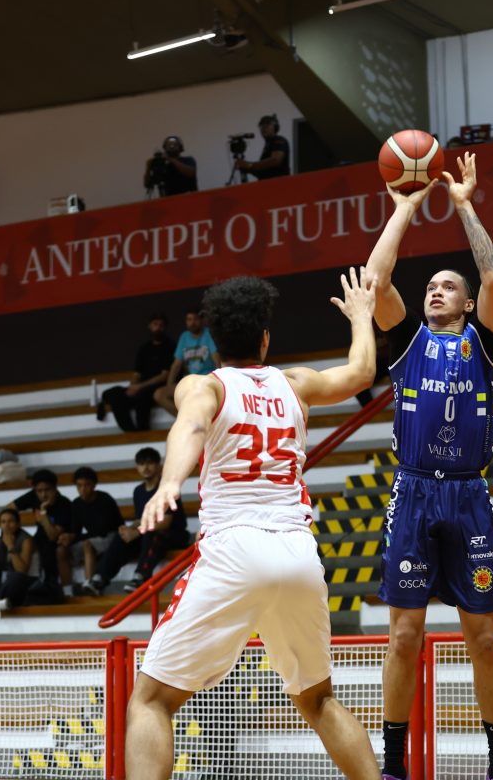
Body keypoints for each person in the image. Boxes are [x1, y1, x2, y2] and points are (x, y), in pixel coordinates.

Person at [126, 270, 381, 780]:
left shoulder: (204, 384)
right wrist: (360, 316)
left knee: (151, 701)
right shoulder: (296, 384)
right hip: (298, 552)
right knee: (318, 700)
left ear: (213, 343)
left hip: (235, 549)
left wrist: (169, 482)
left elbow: (191, 425)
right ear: (265, 339)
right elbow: (361, 372)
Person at [363, 151, 493, 780]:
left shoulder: (483, 338)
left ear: (467, 303)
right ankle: (395, 764)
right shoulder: (409, 340)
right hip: (415, 491)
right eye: (430, 286)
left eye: (447, 286)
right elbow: (376, 282)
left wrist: (463, 205)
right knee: (404, 636)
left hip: (469, 496)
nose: (434, 290)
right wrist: (403, 207)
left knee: (484, 639)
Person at [93, 447, 190, 594]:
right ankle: (99, 579)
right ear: (137, 467)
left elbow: (165, 523)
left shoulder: (166, 489)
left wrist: (138, 532)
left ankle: (141, 577)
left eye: (150, 463)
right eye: (141, 464)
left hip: (175, 534)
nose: (145, 467)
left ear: (158, 465)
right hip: (149, 533)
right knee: (122, 537)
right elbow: (141, 519)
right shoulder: (138, 491)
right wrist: (130, 528)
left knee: (150, 535)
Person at [98, 312, 175, 432]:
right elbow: (137, 374)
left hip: (157, 387)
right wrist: (132, 386)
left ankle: (143, 431)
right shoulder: (144, 348)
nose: (158, 328)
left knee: (142, 396)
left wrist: (139, 387)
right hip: (141, 386)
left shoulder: (170, 346)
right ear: (149, 326)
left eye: (161, 325)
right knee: (114, 394)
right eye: (155, 324)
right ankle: (130, 432)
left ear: (165, 328)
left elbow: (164, 376)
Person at [11, 469, 73, 596]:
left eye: (47, 490)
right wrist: (16, 529)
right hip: (40, 537)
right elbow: (9, 509)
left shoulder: (64, 504)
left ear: (55, 488)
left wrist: (43, 516)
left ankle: (65, 591)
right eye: (39, 491)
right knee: (21, 545)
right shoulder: (34, 495)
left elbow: (53, 536)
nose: (43, 495)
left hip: (61, 540)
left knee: (50, 549)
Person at [70, 467, 125, 596]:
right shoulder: (76, 504)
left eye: (87, 485)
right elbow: (76, 530)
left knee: (87, 545)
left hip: (112, 536)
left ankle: (90, 583)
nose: (83, 489)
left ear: (94, 485)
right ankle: (66, 589)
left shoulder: (104, 499)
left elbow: (103, 529)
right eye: (79, 486)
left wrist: (79, 537)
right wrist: (69, 537)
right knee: (63, 549)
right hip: (93, 538)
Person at [154, 308, 220, 416]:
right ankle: (186, 418)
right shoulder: (184, 337)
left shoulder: (208, 334)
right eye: (189, 319)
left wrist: (219, 383)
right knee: (159, 394)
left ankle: (196, 419)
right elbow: (176, 366)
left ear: (201, 320)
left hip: (208, 379)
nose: (192, 323)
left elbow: (217, 359)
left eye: (195, 319)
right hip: (191, 382)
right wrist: (169, 386)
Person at [234, 113, 290, 180]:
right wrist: (246, 168)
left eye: (267, 124)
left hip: (279, 184)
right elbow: (263, 172)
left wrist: (250, 165)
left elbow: (275, 160)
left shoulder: (279, 140)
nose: (263, 127)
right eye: (261, 125)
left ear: (275, 127)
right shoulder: (268, 145)